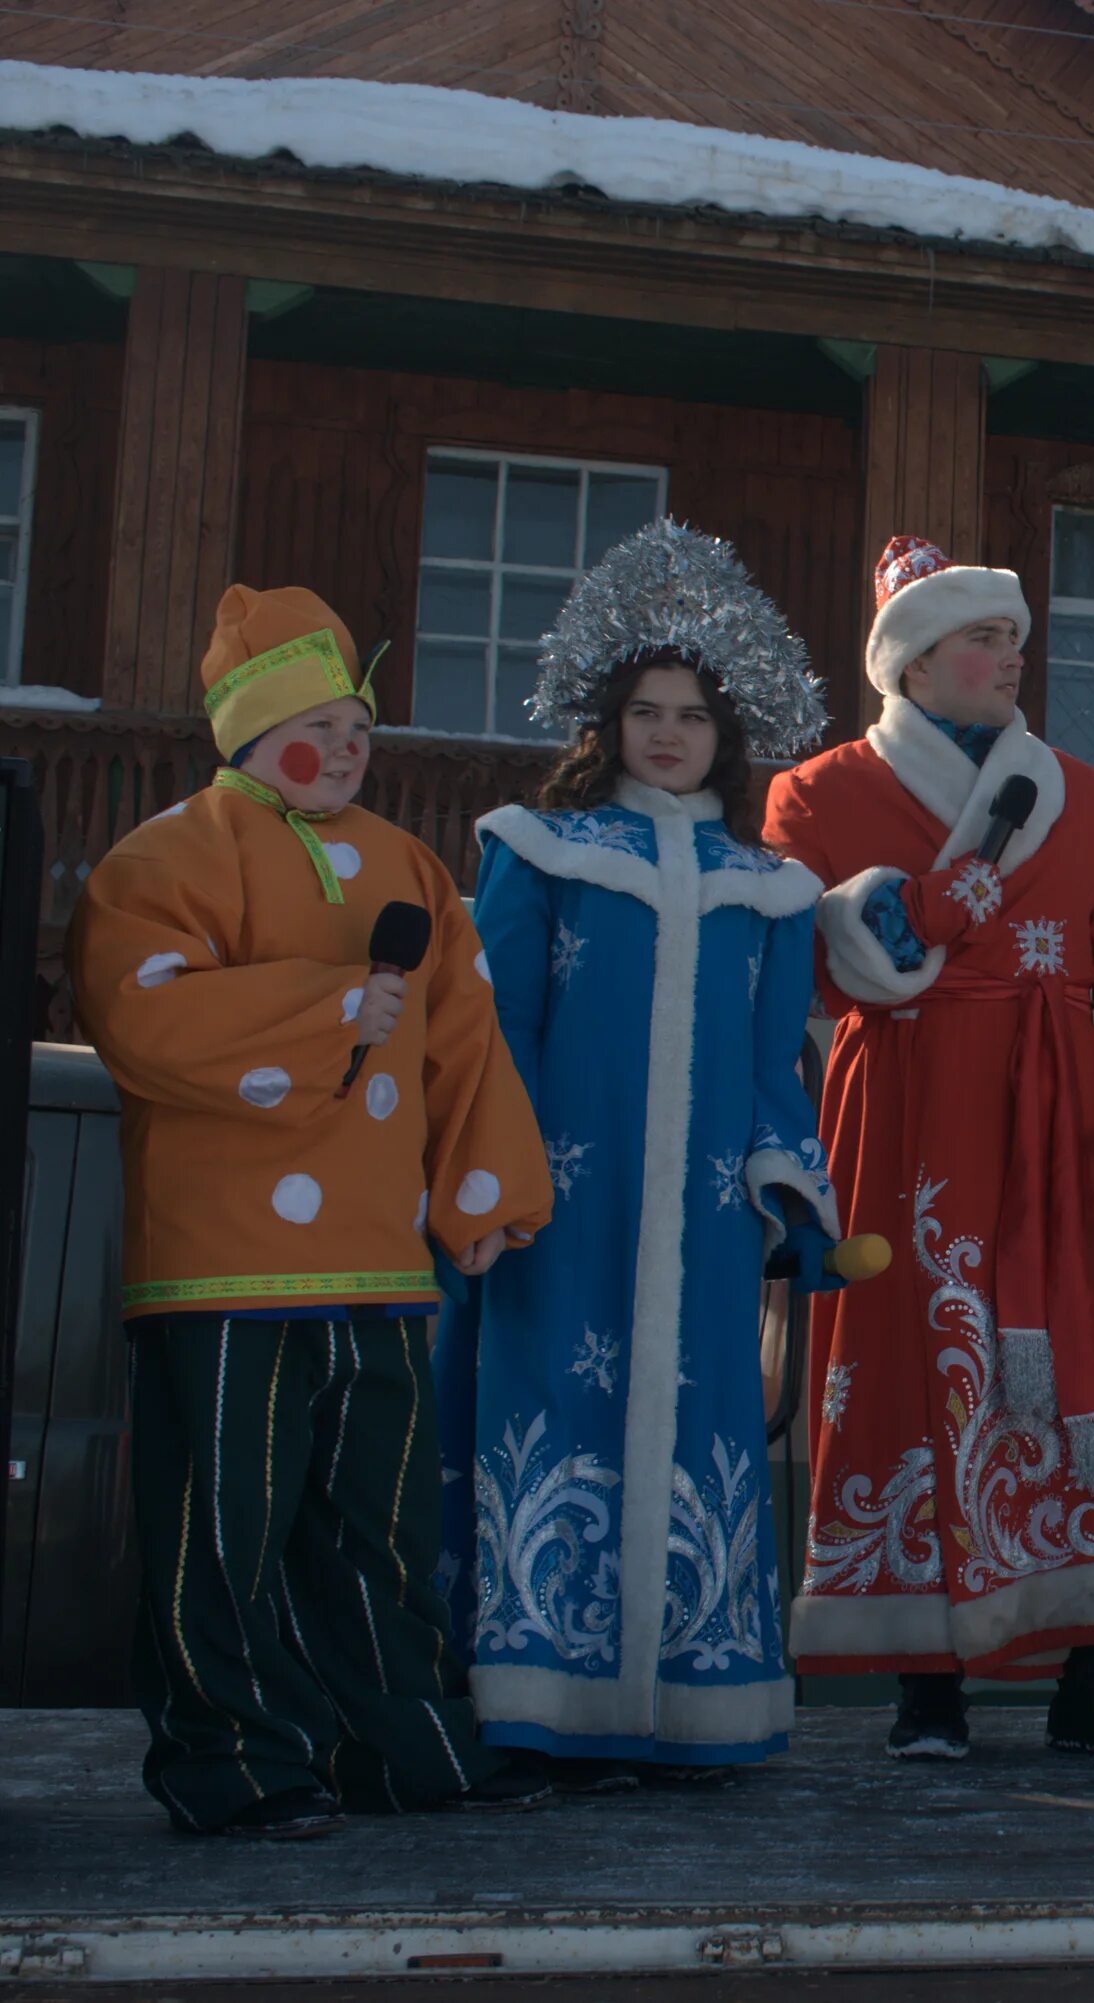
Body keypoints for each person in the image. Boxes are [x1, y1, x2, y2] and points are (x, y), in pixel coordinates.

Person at [69, 583, 556, 1837]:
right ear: (244, 735)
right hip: (218, 1271)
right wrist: (332, 1008)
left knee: (383, 1526)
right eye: (319, 726)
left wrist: (482, 1191)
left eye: (358, 726)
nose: (347, 747)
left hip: (380, 1266)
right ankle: (235, 1763)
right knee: (222, 1532)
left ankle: (399, 1745)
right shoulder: (162, 859)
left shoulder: (411, 866)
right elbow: (143, 1017)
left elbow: (466, 1040)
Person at [764, 535, 1094, 1764]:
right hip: (913, 1106)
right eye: (984, 638)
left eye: (1016, 640)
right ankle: (928, 1686)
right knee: (913, 1358)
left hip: (1065, 1116)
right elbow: (804, 969)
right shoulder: (814, 796)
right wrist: (924, 909)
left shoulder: (1080, 789)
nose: (1010, 659)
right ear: (913, 661)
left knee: (1090, 1373)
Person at [436, 522, 839, 1785]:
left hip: (711, 1221)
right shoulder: (539, 851)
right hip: (563, 1203)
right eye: (644, 711)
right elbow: (494, 1024)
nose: (667, 735)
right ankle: (538, 1704)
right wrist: (491, 1177)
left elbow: (782, 1058)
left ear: (728, 737)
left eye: (691, 716)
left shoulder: (768, 888)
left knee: (703, 1423)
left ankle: (691, 1706)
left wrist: (790, 1187)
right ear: (607, 725)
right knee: (549, 1407)